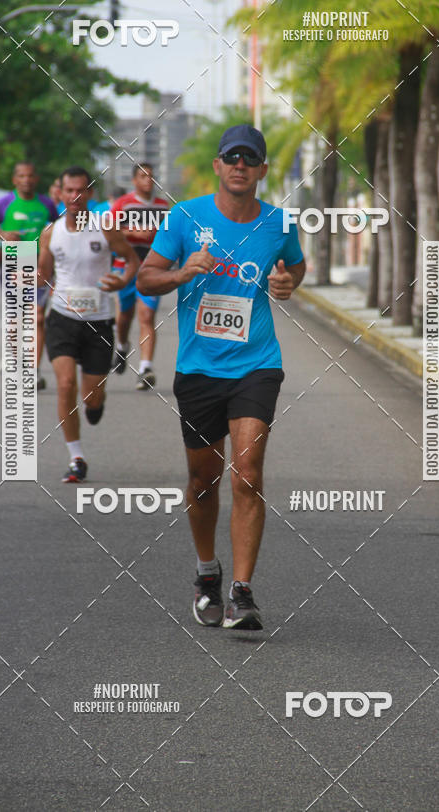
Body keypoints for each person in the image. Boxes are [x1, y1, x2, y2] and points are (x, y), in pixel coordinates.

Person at [137, 125, 305, 629]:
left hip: (257, 364)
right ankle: (208, 571)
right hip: (198, 369)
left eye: (249, 159)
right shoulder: (186, 216)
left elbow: (295, 269)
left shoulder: (279, 222)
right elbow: (146, 276)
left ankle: (242, 593)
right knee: (202, 479)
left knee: (248, 474)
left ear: (262, 170)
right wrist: (181, 273)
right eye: (231, 156)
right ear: (217, 165)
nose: (239, 165)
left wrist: (284, 283)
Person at [38, 166, 140, 483]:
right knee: (65, 384)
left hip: (98, 322)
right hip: (63, 320)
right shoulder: (51, 233)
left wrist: (121, 281)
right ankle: (76, 457)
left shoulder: (105, 228)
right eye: (69, 191)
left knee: (91, 400)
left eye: (81, 191)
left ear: (90, 194)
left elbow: (133, 260)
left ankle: (96, 404)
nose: (74, 197)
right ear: (60, 193)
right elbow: (43, 276)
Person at [0, 161, 58, 389]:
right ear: (15, 180)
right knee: (16, 321)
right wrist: (2, 233)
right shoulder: (6, 202)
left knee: (38, 317)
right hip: (15, 260)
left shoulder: (46, 204)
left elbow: (59, 228)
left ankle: (34, 371)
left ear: (36, 179)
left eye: (31, 175)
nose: (27, 180)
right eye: (22, 176)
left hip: (39, 262)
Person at [110, 163, 169, 389]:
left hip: (151, 268)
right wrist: (132, 232)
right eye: (143, 177)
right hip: (124, 266)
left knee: (147, 315)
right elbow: (108, 229)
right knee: (124, 317)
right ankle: (123, 347)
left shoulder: (163, 206)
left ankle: (145, 368)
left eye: (151, 177)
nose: (148, 181)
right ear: (134, 181)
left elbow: (170, 235)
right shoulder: (123, 204)